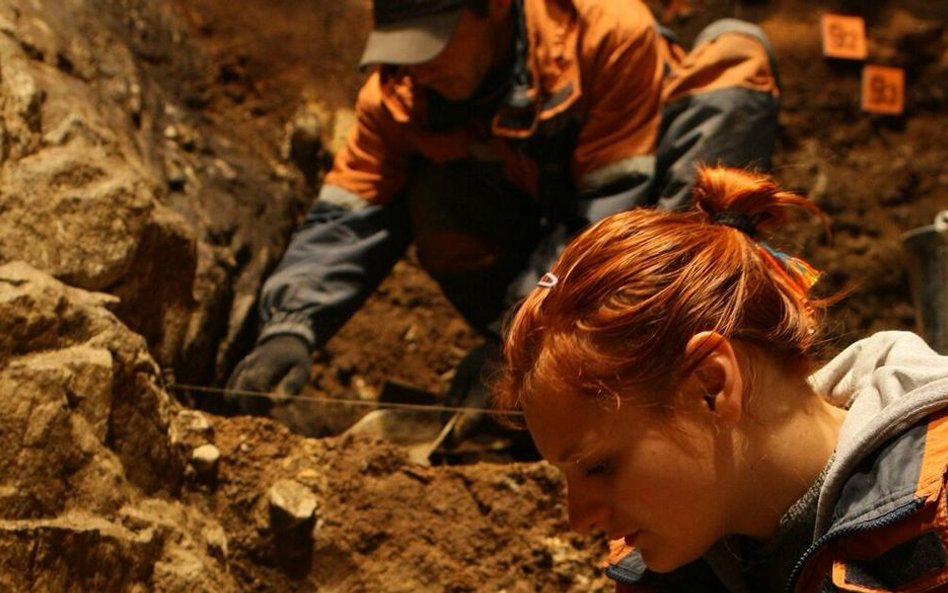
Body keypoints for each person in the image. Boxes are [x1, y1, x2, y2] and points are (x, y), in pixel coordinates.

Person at [225, 0, 782, 423]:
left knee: (734, 56)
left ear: (491, 8)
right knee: (435, 199)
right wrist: (290, 329)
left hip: (636, 254)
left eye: (430, 45)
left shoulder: (606, 31)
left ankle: (665, 367)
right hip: (539, 251)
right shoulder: (398, 95)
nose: (416, 69)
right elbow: (347, 215)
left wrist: (515, 334)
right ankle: (533, 388)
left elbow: (609, 216)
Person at [493, 165, 948, 592]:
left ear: (711, 386)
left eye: (598, 466)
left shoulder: (935, 516)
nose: (579, 518)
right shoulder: (671, 561)